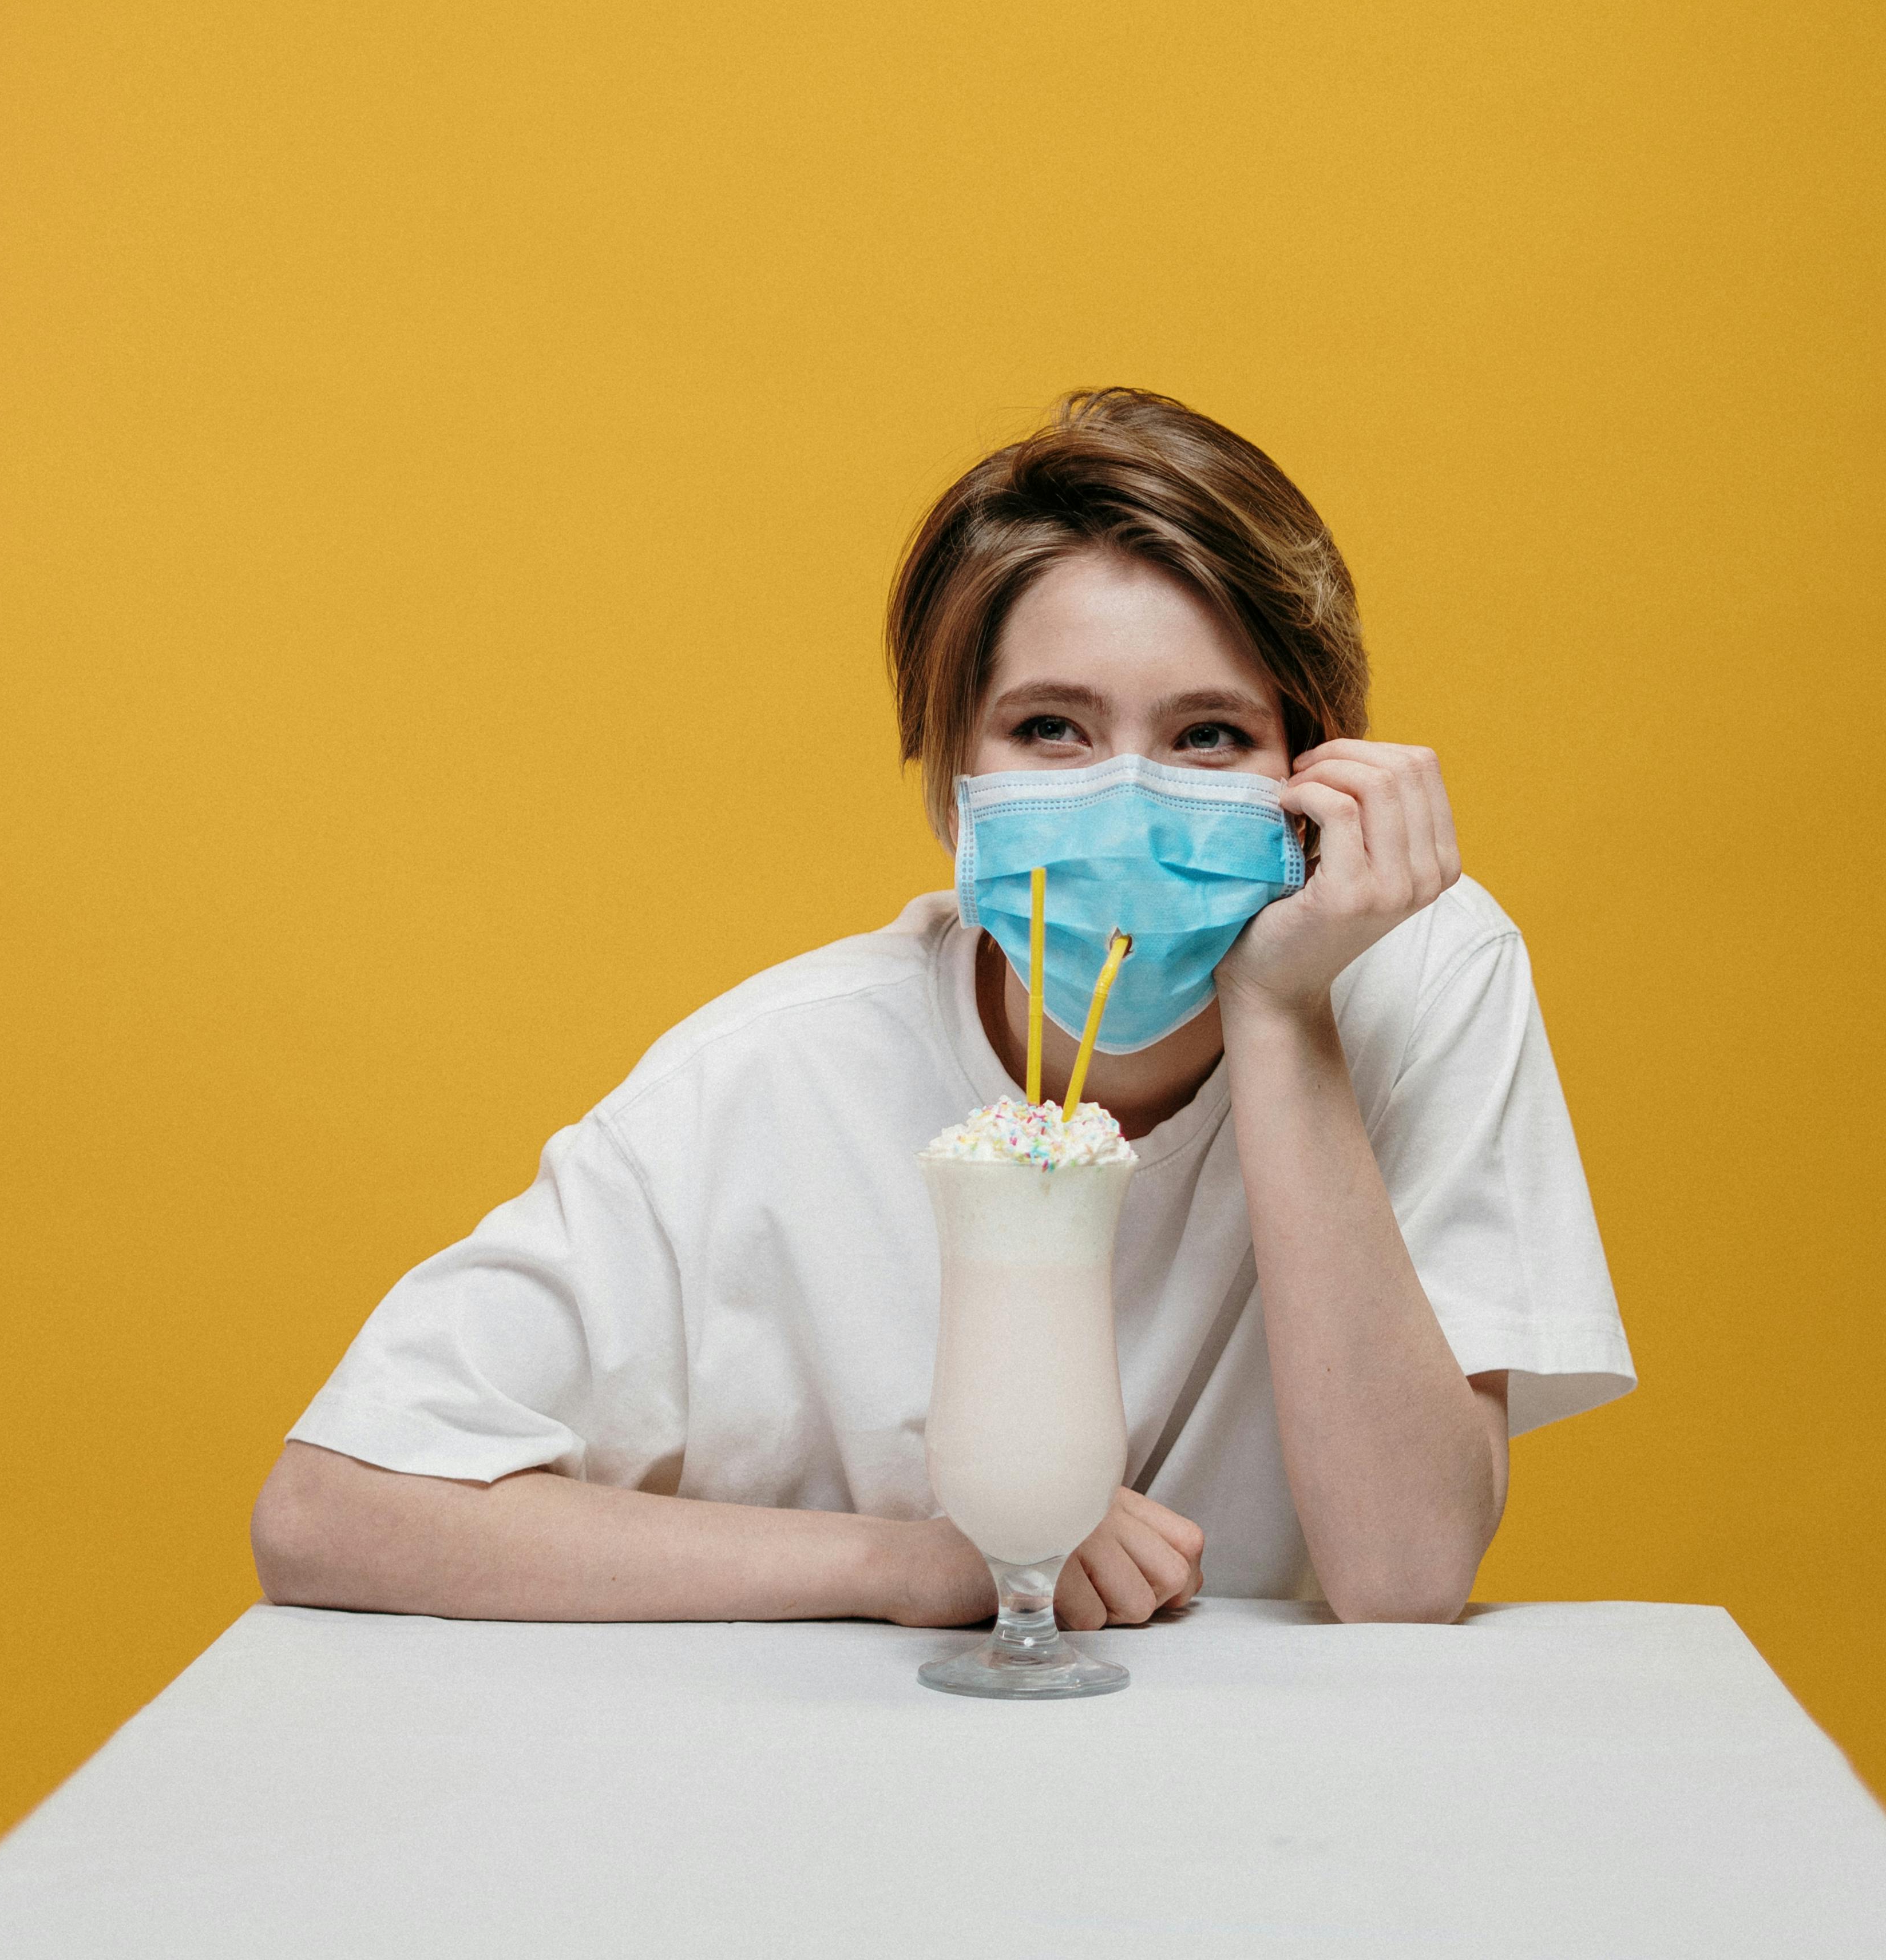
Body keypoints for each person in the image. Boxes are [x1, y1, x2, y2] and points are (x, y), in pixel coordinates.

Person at [253, 388, 1631, 1629]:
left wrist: (1279, 1012)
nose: (1126, 795)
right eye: (1050, 729)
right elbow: (326, 1507)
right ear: (946, 773)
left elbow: (1400, 1578)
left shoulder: (1419, 979)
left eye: (1209, 733)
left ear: (1311, 761)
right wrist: (916, 1562)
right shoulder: (778, 1072)